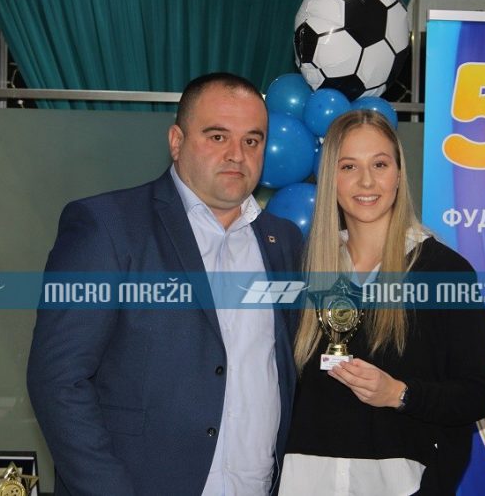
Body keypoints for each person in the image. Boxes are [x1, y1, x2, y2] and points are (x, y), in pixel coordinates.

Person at [27, 72, 303, 495]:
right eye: (217, 137)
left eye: (252, 140)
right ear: (176, 141)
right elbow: (58, 380)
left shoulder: (282, 241)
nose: (237, 154)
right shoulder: (108, 227)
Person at [279, 111, 485, 495]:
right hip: (303, 484)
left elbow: (478, 395)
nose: (366, 181)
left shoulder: (443, 271)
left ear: (398, 174)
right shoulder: (303, 269)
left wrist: (398, 393)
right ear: (331, 178)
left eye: (379, 164)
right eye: (349, 166)